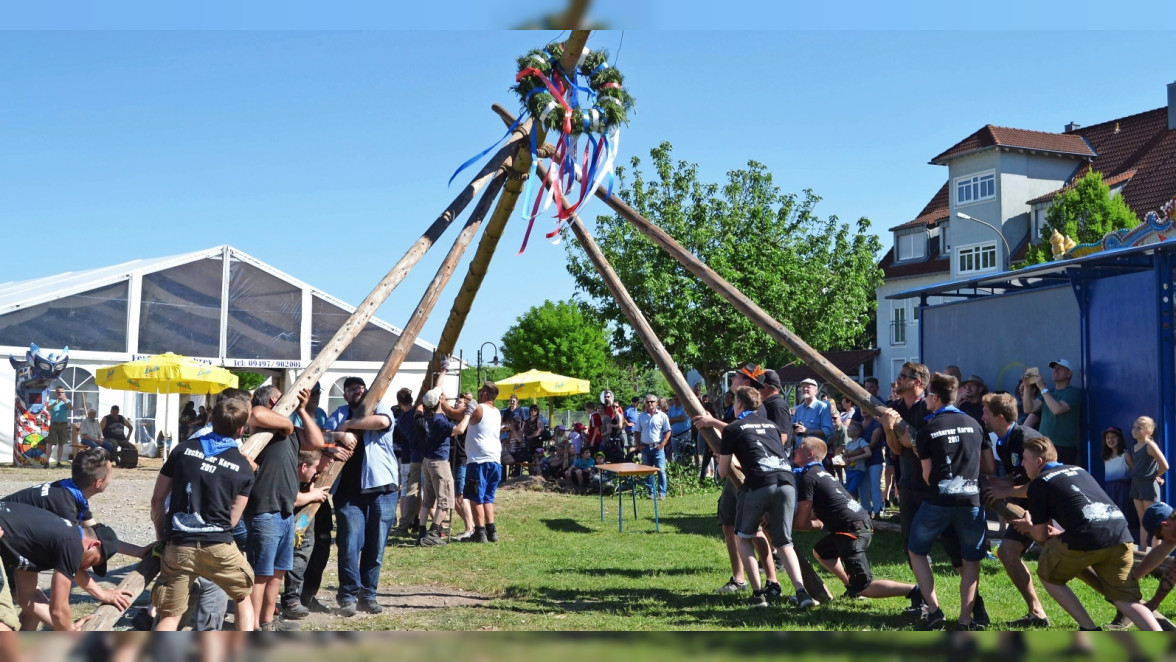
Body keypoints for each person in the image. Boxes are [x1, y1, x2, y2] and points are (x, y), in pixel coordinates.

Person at [880, 362, 988, 627]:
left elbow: (919, 447)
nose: (898, 379)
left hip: (937, 491)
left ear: (919, 383)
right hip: (910, 487)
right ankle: (931, 607)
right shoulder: (897, 409)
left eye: (903, 376)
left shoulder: (926, 410)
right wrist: (887, 427)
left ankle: (977, 608)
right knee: (912, 547)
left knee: (955, 550)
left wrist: (910, 440)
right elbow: (896, 449)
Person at [1015, 436, 1161, 631]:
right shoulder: (1079, 470)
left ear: (1038, 461)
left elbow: (1040, 536)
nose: (1022, 463)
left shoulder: (1039, 483)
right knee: (1126, 600)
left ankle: (1088, 628)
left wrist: (1028, 525)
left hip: (1087, 538)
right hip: (1120, 534)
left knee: (1049, 575)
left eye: (1024, 458)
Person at [150, 397, 256, 632]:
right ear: (241, 430)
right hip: (219, 546)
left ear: (210, 419)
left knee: (170, 616)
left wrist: (163, 536)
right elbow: (233, 520)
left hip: (179, 544)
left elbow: (157, 500)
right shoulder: (244, 467)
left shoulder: (182, 450)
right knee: (243, 596)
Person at [2, 448, 140, 613]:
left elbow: (99, 536)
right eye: (111, 475)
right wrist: (103, 594)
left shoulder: (70, 491)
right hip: (7, 539)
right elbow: (71, 560)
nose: (111, 479)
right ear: (98, 483)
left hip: (16, 538)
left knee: (34, 608)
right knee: (30, 600)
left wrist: (140, 552)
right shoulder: (64, 507)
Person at [792, 437, 922, 607]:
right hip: (852, 525)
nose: (795, 449)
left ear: (810, 454)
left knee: (865, 587)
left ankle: (916, 591)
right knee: (822, 552)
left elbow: (802, 522)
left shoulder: (808, 477)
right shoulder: (820, 473)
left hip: (851, 530)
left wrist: (779, 523)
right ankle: (851, 586)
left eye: (800, 446)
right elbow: (817, 520)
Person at [717, 386, 813, 609]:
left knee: (743, 536)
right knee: (784, 542)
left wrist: (726, 456)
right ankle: (801, 593)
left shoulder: (733, 428)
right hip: (787, 481)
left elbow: (722, 471)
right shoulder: (771, 425)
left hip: (759, 482)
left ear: (739, 404)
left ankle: (758, 595)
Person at [244, 385, 324, 631]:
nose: (290, 400)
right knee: (260, 575)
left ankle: (268, 621)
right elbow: (255, 413)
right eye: (283, 398)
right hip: (264, 510)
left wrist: (301, 410)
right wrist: (287, 423)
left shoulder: (290, 431)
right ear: (272, 401)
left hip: (285, 511)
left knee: (277, 573)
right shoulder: (262, 428)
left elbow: (317, 441)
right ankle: (254, 625)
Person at [323, 377, 400, 617]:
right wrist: (338, 436)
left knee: (375, 546)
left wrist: (346, 427)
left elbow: (382, 422)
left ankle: (368, 596)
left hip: (382, 487)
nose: (357, 391)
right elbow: (322, 438)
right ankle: (347, 596)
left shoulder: (381, 407)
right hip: (348, 491)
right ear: (345, 395)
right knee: (349, 544)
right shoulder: (337, 414)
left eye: (361, 388)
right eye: (351, 389)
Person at [976, 392, 1050, 629]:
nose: (982, 416)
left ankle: (1126, 605)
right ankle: (1037, 612)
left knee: (1077, 564)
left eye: (986, 412)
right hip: (1028, 509)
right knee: (1007, 553)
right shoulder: (1003, 442)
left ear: (999, 416)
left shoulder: (1026, 439)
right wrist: (984, 482)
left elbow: (1040, 486)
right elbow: (1012, 479)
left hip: (1053, 509)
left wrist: (1005, 493)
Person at [0, 502, 120, 631]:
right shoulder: (73, 545)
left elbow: (28, 596)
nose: (85, 568)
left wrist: (69, 628)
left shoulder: (45, 539)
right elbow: (59, 610)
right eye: (93, 562)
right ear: (93, 545)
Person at [445, 381, 503, 544]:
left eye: (480, 392)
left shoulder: (479, 409)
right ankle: (491, 531)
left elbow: (452, 413)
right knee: (488, 498)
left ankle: (479, 532)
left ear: (484, 393)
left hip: (479, 460)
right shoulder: (497, 411)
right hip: (494, 459)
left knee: (476, 497)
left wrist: (441, 400)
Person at [279, 449, 332, 620]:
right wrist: (311, 494)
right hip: (302, 503)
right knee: (300, 550)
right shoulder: (303, 433)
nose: (331, 461)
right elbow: (289, 498)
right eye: (328, 456)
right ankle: (291, 599)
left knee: (320, 549)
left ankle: (307, 597)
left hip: (316, 498)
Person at [416, 387, 456, 547]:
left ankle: (421, 532)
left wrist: (442, 373)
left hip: (427, 461)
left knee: (428, 500)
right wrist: (468, 412)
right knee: (445, 501)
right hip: (440, 463)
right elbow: (458, 430)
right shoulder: (439, 420)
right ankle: (433, 533)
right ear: (440, 400)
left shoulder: (427, 417)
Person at [1024, 359, 1082, 465]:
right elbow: (1028, 409)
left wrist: (1042, 387)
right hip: (1044, 445)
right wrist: (1027, 387)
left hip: (1063, 446)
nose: (1055, 371)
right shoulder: (1049, 393)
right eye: (1054, 369)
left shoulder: (1074, 392)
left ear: (1069, 374)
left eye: (1059, 368)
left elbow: (1057, 409)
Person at [1126, 415, 1168, 551]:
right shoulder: (1135, 447)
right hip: (1136, 484)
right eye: (1134, 427)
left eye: (1140, 427)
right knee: (1142, 520)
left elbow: (1165, 466)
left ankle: (1156, 550)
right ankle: (1143, 551)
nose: (1135, 430)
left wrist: (1154, 476)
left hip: (1148, 486)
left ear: (1149, 431)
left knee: (1155, 520)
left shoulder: (1150, 446)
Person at [1100, 426, 1138, 544]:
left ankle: (1128, 542)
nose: (1110, 440)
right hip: (1110, 490)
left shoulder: (1125, 455)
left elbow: (1135, 471)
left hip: (1124, 490)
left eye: (1113, 437)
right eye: (1108, 438)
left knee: (1125, 516)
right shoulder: (1106, 457)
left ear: (1119, 439)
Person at [633, 393, 671, 500]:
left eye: (652, 402)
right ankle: (651, 493)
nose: (650, 403)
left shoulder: (662, 416)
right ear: (645, 403)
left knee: (661, 470)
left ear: (656, 403)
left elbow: (668, 431)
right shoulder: (641, 416)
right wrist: (638, 445)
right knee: (648, 471)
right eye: (648, 402)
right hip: (645, 448)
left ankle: (662, 493)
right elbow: (636, 432)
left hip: (657, 448)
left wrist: (663, 444)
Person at [395, 387, 423, 536]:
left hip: (410, 456)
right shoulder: (415, 414)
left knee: (407, 490)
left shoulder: (401, 419)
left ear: (399, 402)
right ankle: (412, 521)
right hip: (418, 456)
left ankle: (407, 522)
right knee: (415, 491)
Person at [450, 392, 476, 542]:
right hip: (453, 461)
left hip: (461, 460)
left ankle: (469, 529)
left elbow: (460, 429)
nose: (455, 404)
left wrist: (470, 400)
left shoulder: (466, 421)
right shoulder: (455, 418)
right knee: (454, 499)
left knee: (460, 497)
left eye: (459, 403)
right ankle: (470, 526)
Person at [791, 378, 834, 446]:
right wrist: (794, 429)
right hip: (799, 449)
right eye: (803, 387)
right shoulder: (799, 409)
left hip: (815, 450)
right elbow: (792, 427)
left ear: (815, 391)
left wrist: (808, 431)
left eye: (808, 387)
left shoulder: (822, 407)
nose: (805, 389)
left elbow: (828, 431)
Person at [43, 386, 72, 468]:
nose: (60, 394)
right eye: (58, 392)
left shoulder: (67, 401)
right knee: (50, 443)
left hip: (63, 424)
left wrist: (66, 401)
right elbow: (48, 408)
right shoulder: (52, 400)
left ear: (64, 393)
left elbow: (71, 408)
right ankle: (47, 462)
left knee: (61, 444)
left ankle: (58, 462)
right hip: (54, 424)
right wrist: (56, 403)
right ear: (56, 393)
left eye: (62, 392)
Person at [667, 394, 692, 464]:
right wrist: (677, 419)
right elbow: (668, 421)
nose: (675, 401)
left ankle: (686, 472)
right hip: (674, 436)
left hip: (685, 435)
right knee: (676, 456)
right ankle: (677, 473)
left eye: (677, 399)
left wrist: (673, 419)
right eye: (674, 399)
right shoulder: (671, 409)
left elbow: (682, 418)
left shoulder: (685, 408)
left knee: (685, 455)